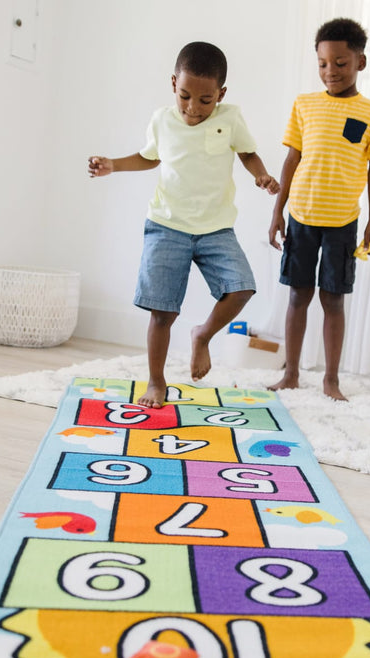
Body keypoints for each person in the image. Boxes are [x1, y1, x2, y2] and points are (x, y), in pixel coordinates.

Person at [89, 41, 279, 408]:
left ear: (221, 94)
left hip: (216, 228)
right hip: (166, 225)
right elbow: (149, 158)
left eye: (205, 100)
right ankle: (156, 382)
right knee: (163, 312)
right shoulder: (162, 119)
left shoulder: (230, 118)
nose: (193, 108)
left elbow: (247, 152)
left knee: (241, 288)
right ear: (173, 83)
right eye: (185, 96)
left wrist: (262, 175)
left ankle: (202, 336)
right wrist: (113, 164)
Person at [268, 18, 370, 401]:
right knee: (297, 296)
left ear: (360, 62)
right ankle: (290, 373)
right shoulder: (304, 105)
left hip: (343, 223)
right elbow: (292, 160)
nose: (330, 71)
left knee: (333, 299)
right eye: (323, 63)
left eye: (340, 63)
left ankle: (331, 380)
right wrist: (278, 211)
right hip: (301, 217)